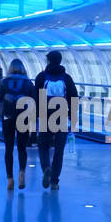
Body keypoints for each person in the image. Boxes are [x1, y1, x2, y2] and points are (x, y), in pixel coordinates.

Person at [0, 58, 36, 190]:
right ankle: (21, 172)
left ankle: (10, 179)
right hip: (23, 117)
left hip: (7, 117)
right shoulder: (28, 84)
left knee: (8, 149)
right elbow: (34, 103)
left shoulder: (4, 82)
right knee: (22, 148)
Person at [34, 50, 78, 190]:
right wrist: (73, 117)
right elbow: (74, 97)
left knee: (43, 146)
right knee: (59, 150)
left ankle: (46, 168)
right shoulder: (67, 78)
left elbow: (35, 98)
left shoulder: (41, 77)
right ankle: (54, 182)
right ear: (60, 61)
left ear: (48, 61)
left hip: (45, 116)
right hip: (62, 116)